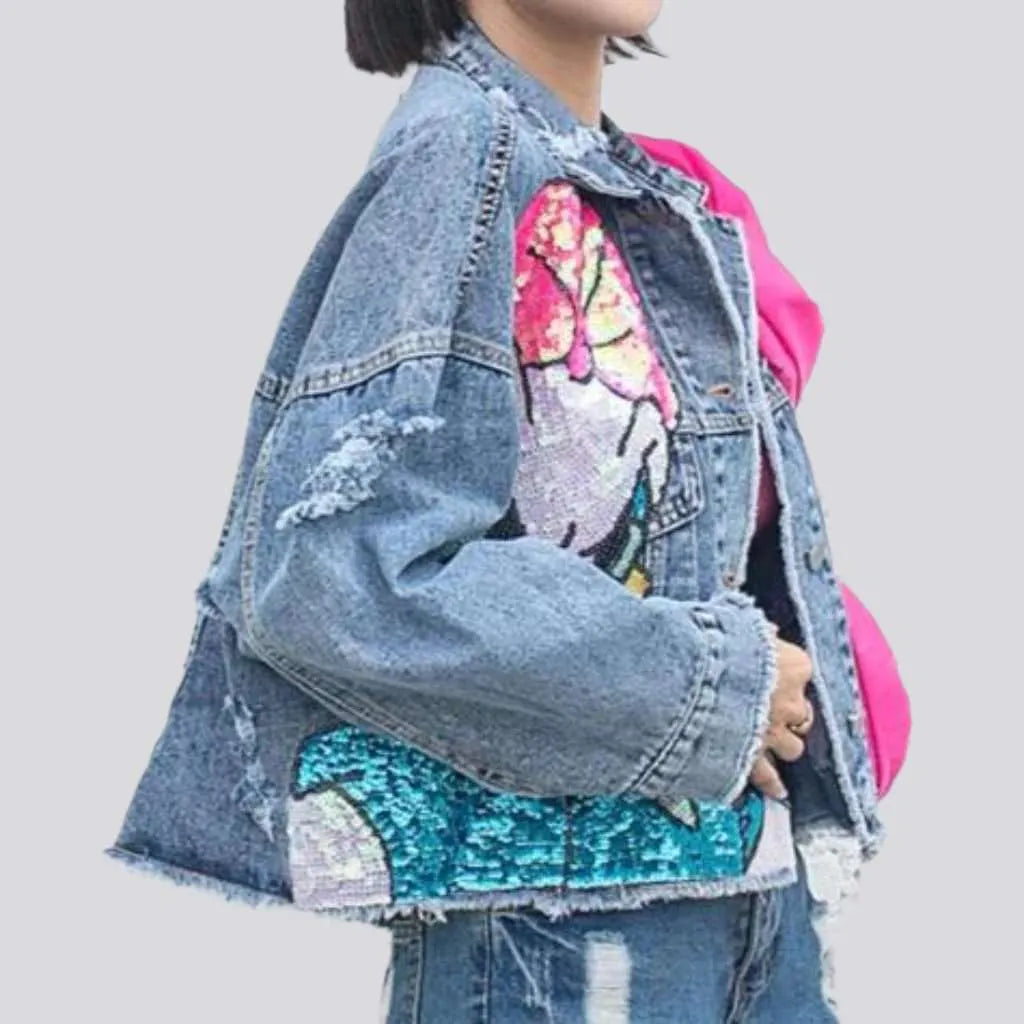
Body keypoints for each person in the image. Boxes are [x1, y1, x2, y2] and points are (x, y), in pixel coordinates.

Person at [105, 2, 912, 1020]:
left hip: (742, 890)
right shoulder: (464, 158)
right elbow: (333, 572)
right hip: (567, 930)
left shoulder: (604, 175)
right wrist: (711, 685)